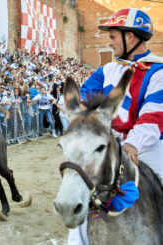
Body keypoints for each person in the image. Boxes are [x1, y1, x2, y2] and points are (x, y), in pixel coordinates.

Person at [69, 8, 163, 245]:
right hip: (112, 144)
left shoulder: (159, 71)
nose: (109, 43)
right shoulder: (106, 70)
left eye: (112, 37)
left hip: (149, 146)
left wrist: (133, 143)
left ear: (130, 37)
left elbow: (154, 115)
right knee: (82, 188)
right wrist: (76, 110)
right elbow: (85, 97)